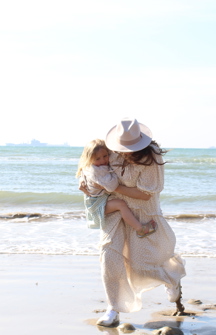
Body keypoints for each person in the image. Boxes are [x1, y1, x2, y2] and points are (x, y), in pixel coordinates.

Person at [82, 117, 187, 327]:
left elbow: (145, 194)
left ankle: (172, 280)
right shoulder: (110, 149)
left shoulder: (151, 157)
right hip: (114, 210)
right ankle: (113, 308)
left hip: (142, 212)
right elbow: (91, 165)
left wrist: (112, 188)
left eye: (129, 148)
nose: (123, 152)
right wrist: (86, 183)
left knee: (142, 264)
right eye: (121, 147)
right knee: (109, 256)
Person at [76, 139, 157, 237]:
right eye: (98, 159)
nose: (102, 161)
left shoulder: (90, 166)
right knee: (121, 205)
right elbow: (112, 186)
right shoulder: (97, 171)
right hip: (97, 203)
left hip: (95, 200)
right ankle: (140, 229)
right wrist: (115, 174)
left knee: (120, 204)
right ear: (89, 158)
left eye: (105, 156)